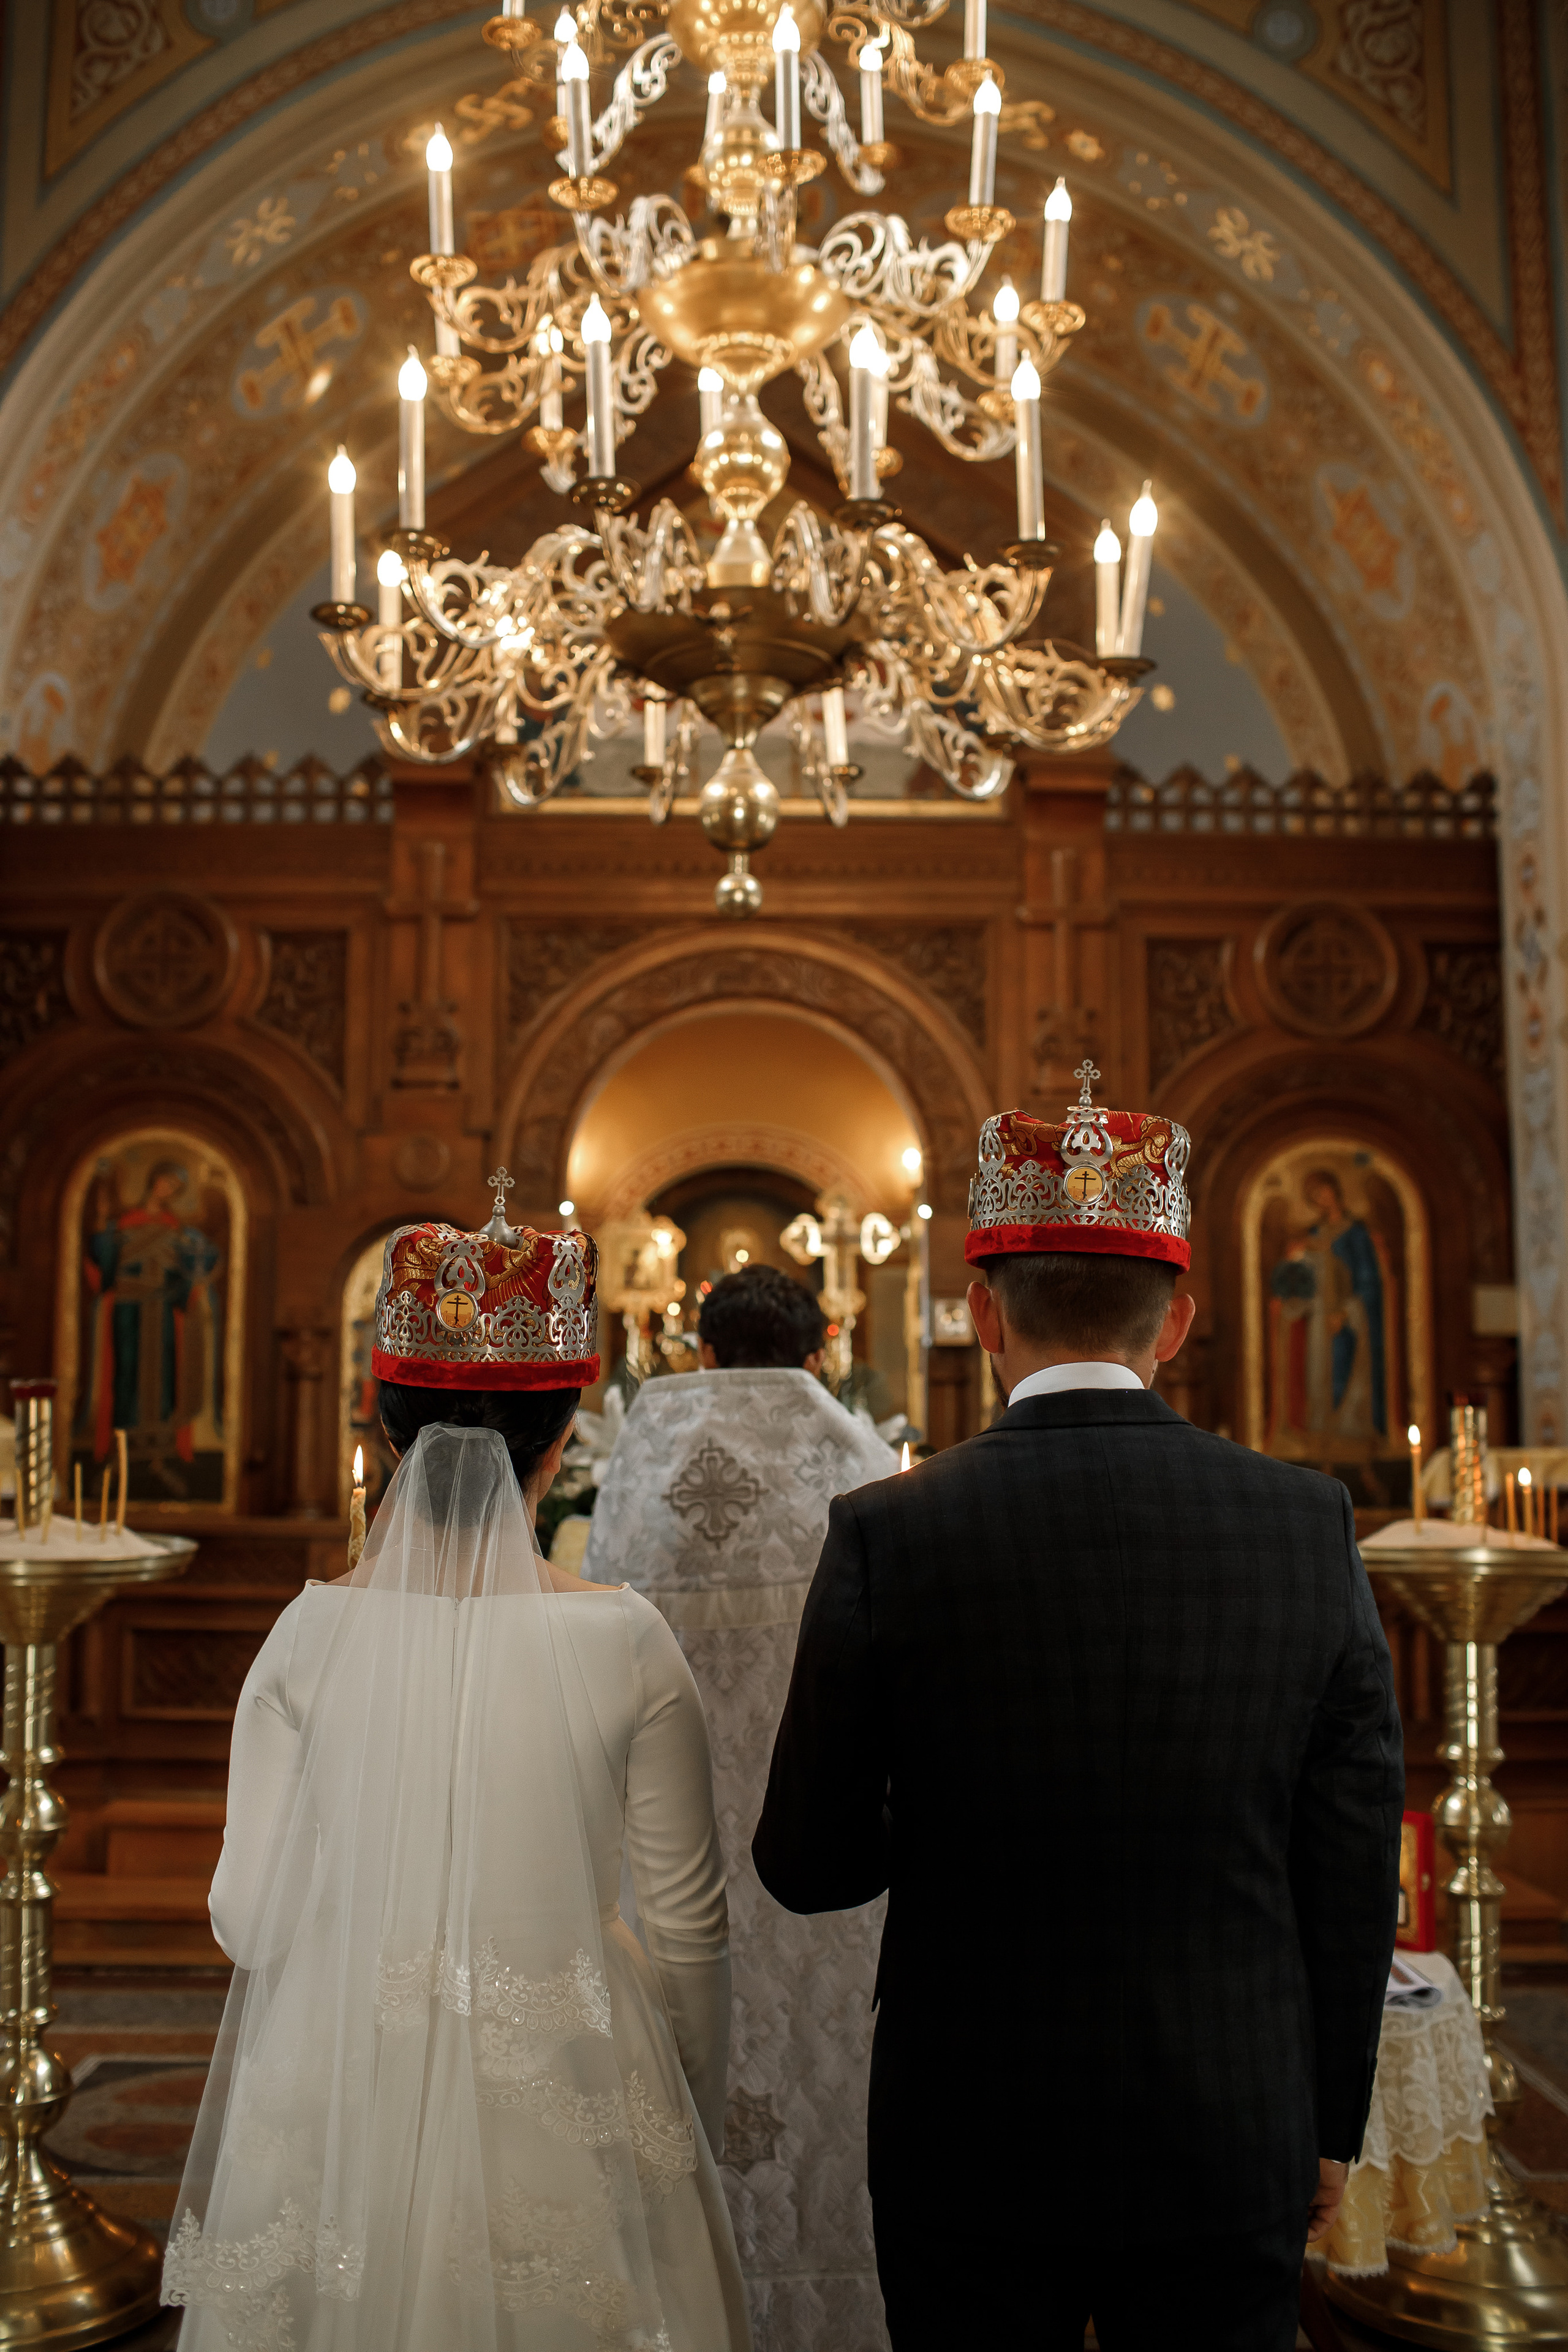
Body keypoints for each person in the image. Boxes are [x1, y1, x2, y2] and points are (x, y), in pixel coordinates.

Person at [753, 1072, 1404, 2352]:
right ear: (1177, 1323)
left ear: (980, 1312)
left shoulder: (889, 1530)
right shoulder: (1305, 1521)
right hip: (1229, 2123)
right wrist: (1324, 2123)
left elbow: (807, 1865)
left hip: (968, 2131)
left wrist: (944, 1821)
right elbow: (1347, 1863)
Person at [164, 1182, 750, 2350]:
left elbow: (244, 1922)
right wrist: (680, 2090)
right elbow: (691, 1932)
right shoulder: (626, 1638)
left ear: (383, 1427)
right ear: (567, 1432)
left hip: (339, 2095)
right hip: (573, 2080)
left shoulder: (307, 1634)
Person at [586, 1262, 898, 2351]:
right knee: (827, 2084)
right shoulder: (859, 1463)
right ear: (817, 1352)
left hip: (670, 1846)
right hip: (825, 1857)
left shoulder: (639, 1469)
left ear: (702, 1351)